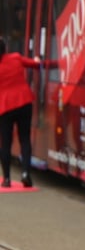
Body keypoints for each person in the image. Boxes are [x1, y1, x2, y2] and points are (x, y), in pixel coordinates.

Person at [0, 37, 49, 188]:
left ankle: (7, 179)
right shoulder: (16, 57)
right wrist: (36, 59)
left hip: (5, 107)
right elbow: (35, 64)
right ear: (5, 48)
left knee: (5, 143)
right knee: (25, 139)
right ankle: (26, 173)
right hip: (24, 102)